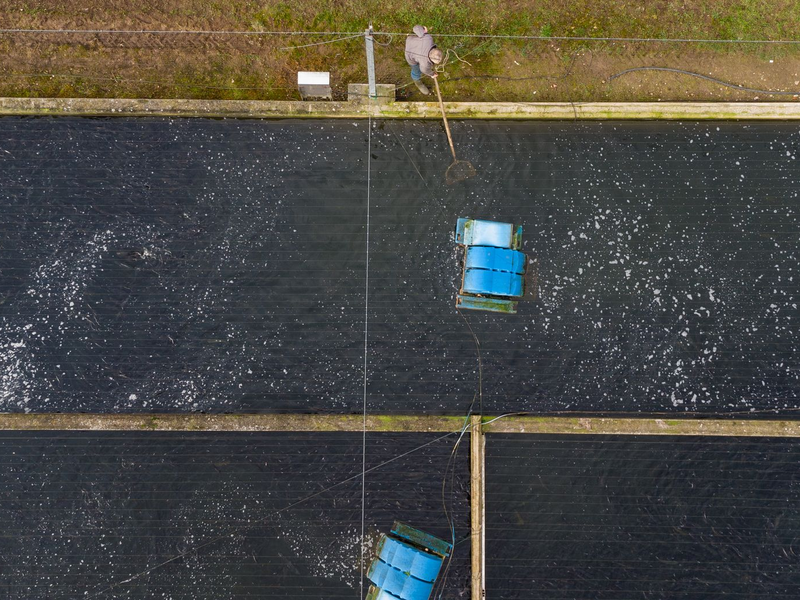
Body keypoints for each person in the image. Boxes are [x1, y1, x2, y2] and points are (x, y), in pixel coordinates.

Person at [404, 25, 444, 95]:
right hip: (410, 56)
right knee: (416, 70)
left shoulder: (428, 38)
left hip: (410, 41)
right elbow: (424, 70)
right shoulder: (425, 64)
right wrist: (432, 74)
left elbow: (416, 28)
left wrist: (423, 31)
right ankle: (417, 82)